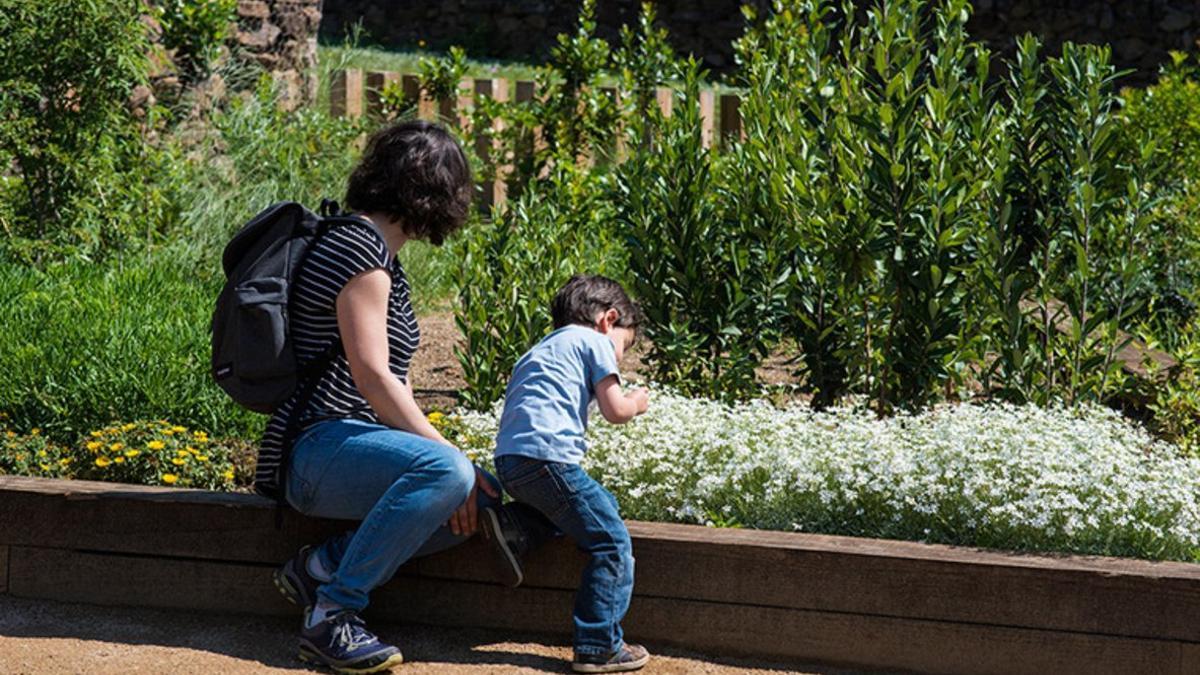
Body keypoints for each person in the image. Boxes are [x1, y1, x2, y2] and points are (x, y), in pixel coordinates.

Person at [259, 120, 528, 674]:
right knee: (452, 477)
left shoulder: (381, 256)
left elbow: (394, 381)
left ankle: (321, 569)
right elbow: (372, 378)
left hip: (353, 446)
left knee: (470, 506)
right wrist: (453, 460)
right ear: (432, 188)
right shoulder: (359, 249)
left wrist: (454, 465)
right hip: (316, 447)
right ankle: (331, 617)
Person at [479, 274, 652, 673]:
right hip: (549, 459)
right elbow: (616, 411)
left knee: (599, 506)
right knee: (611, 542)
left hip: (511, 462)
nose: (619, 357)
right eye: (624, 347)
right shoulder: (594, 342)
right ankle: (599, 645)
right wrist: (637, 402)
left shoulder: (541, 348)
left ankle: (515, 527)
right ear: (609, 320)